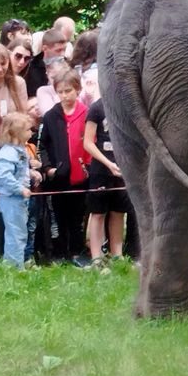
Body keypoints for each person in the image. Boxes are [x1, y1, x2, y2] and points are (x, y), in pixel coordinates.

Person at [37, 67, 90, 263]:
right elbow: (41, 145)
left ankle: (77, 252)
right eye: (61, 91)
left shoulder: (87, 113)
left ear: (78, 89)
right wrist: (48, 168)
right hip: (59, 177)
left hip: (81, 176)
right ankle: (59, 253)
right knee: (58, 217)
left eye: (69, 91)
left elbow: (91, 142)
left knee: (77, 218)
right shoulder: (51, 116)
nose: (65, 95)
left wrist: (88, 167)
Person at [83, 96, 129, 269]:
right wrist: (108, 164)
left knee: (119, 212)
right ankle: (96, 257)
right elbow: (88, 142)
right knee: (98, 213)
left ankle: (117, 255)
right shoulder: (97, 108)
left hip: (122, 168)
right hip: (101, 169)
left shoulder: (126, 106)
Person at [0, 112, 35, 268]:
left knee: (20, 231)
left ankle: (13, 263)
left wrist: (31, 173)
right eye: (27, 130)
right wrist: (20, 189)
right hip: (11, 198)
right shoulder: (7, 153)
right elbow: (4, 176)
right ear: (16, 133)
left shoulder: (21, 150)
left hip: (19, 199)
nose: (31, 132)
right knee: (15, 233)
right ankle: (14, 266)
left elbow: (20, 171)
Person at [23, 28, 67, 98]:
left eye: (64, 50)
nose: (62, 54)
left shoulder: (67, 64)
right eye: (58, 50)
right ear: (45, 48)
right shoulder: (32, 66)